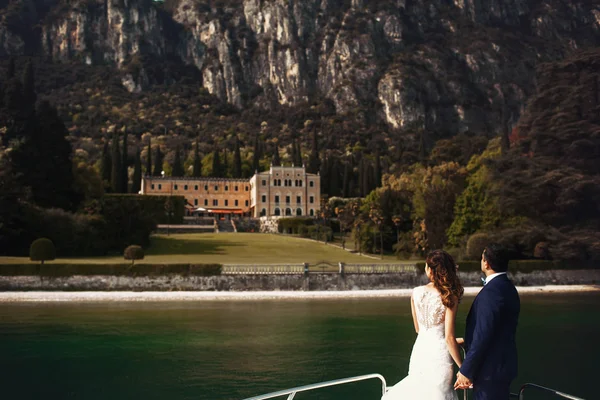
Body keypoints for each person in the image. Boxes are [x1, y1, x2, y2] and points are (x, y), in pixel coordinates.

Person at [382, 250, 464, 400]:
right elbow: (449, 339)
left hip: (420, 352)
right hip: (439, 356)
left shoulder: (416, 292)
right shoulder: (449, 296)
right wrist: (464, 368)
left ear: (429, 270)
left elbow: (419, 329)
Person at [454, 243, 521, 399]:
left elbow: (484, 334)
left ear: (486, 263)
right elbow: (497, 329)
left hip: (490, 370)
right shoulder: (508, 287)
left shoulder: (491, 292)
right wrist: (466, 340)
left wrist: (466, 370)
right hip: (500, 367)